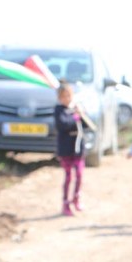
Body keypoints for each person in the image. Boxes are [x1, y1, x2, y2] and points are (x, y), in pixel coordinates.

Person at [54, 81, 96, 216]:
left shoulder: (76, 109)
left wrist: (81, 114)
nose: (66, 99)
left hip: (78, 148)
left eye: (69, 96)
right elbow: (63, 124)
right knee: (68, 177)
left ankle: (76, 199)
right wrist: (75, 116)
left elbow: (87, 125)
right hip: (66, 148)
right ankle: (65, 203)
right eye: (63, 96)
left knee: (79, 174)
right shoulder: (59, 110)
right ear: (59, 98)